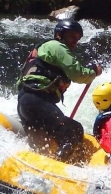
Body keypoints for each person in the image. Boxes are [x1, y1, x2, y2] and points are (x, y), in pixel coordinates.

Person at [16, 19, 101, 162]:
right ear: (59, 35)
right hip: (37, 101)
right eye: (71, 36)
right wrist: (93, 71)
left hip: (26, 103)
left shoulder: (43, 51)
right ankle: (60, 168)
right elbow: (78, 74)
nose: (74, 41)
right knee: (70, 135)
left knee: (74, 129)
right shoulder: (56, 46)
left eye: (77, 38)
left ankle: (68, 163)